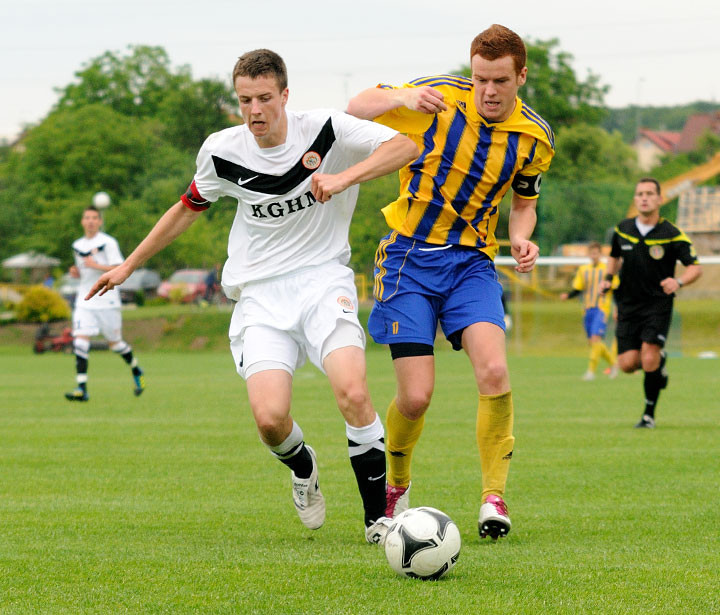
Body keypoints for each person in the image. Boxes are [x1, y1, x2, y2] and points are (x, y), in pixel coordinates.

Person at [87, 49, 418, 543]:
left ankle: (380, 520)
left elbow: (406, 146)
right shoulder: (222, 150)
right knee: (269, 419)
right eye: (245, 100)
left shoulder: (327, 129)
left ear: (285, 95)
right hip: (260, 295)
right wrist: (129, 264)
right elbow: (186, 208)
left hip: (323, 279)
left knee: (352, 390)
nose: (255, 110)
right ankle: (303, 471)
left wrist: (343, 177)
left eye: (265, 98)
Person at [346, 24, 555, 540]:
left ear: (520, 77)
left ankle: (493, 497)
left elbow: (524, 204)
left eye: (500, 81)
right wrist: (404, 96)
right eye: (480, 78)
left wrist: (523, 237)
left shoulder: (535, 138)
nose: (488, 90)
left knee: (494, 370)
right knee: (416, 398)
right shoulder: (437, 99)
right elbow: (356, 106)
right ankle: (396, 486)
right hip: (407, 259)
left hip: (471, 264)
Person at [600, 178, 701, 428]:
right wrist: (606, 279)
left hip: (658, 304)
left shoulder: (672, 234)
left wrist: (678, 282)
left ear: (659, 199)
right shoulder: (622, 229)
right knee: (627, 364)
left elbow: (694, 268)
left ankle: (648, 416)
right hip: (627, 304)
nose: (643, 198)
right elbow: (613, 258)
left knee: (648, 357)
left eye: (649, 194)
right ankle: (660, 364)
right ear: (635, 199)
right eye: (639, 194)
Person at [65, 205, 145, 401]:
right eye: (87, 217)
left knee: (115, 344)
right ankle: (81, 388)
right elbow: (83, 273)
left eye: (94, 217)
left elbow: (120, 268)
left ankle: (136, 369)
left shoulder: (108, 242)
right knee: (80, 340)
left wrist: (95, 265)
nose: (90, 221)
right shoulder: (77, 245)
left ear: (100, 221)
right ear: (82, 221)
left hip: (107, 300)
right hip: (85, 300)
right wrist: (75, 273)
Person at [560, 241, 618, 380]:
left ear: (600, 254)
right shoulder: (583, 270)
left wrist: (618, 307)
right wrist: (568, 295)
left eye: (596, 253)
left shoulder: (607, 270)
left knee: (595, 338)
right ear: (588, 254)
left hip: (602, 308)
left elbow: (615, 289)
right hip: (587, 309)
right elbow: (578, 289)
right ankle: (614, 364)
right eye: (591, 253)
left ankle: (591, 372)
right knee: (593, 343)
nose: (594, 255)